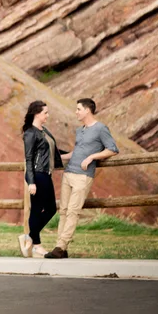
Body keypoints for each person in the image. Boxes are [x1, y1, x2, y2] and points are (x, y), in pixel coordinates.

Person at [44, 98, 119, 259]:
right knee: (63, 211)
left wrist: (92, 157)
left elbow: (112, 149)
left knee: (73, 211)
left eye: (78, 109)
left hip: (83, 176)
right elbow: (75, 153)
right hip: (69, 173)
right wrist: (55, 157)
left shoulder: (100, 129)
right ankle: (61, 249)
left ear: (87, 110)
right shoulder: (80, 130)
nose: (76, 112)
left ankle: (60, 246)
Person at [17, 101, 67, 258]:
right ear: (37, 113)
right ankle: (34, 242)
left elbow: (52, 151)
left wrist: (75, 154)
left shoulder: (43, 130)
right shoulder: (30, 133)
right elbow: (29, 159)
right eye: (45, 112)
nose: (47, 115)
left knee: (43, 209)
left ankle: (33, 242)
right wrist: (31, 182)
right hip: (38, 175)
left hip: (45, 173)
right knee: (46, 209)